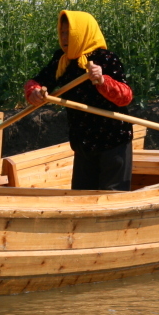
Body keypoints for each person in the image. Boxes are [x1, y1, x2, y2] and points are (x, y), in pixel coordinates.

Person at [24, 10, 134, 191]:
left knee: (113, 198)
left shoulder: (105, 58)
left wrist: (102, 80)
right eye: (62, 33)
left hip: (113, 141)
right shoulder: (62, 61)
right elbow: (37, 82)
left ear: (82, 33)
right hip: (83, 141)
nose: (65, 38)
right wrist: (34, 92)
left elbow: (125, 97)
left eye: (70, 33)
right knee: (82, 197)